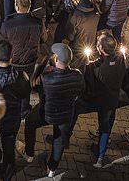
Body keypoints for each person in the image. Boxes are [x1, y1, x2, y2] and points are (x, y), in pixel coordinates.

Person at [22, 43, 85, 177]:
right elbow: (81, 91)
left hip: (47, 113)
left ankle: (29, 153)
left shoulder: (47, 77)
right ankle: (52, 169)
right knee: (59, 139)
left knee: (29, 121)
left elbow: (34, 84)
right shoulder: (78, 76)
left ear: (55, 58)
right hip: (66, 114)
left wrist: (43, 64)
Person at [0, 39, 30, 180]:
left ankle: (5, 169)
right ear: (11, 58)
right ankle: (8, 168)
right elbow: (24, 102)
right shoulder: (22, 77)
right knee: (9, 146)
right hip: (13, 121)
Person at [84, 32, 127, 167]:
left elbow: (89, 84)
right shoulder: (120, 59)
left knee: (104, 127)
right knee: (109, 120)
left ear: (101, 49)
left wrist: (88, 65)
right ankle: (105, 140)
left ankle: (100, 157)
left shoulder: (96, 68)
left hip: (103, 101)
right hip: (115, 98)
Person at [1, 0, 44, 71]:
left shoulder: (7, 24)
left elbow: (2, 45)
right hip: (32, 61)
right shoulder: (38, 22)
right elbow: (44, 39)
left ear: (17, 7)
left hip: (13, 62)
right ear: (29, 7)